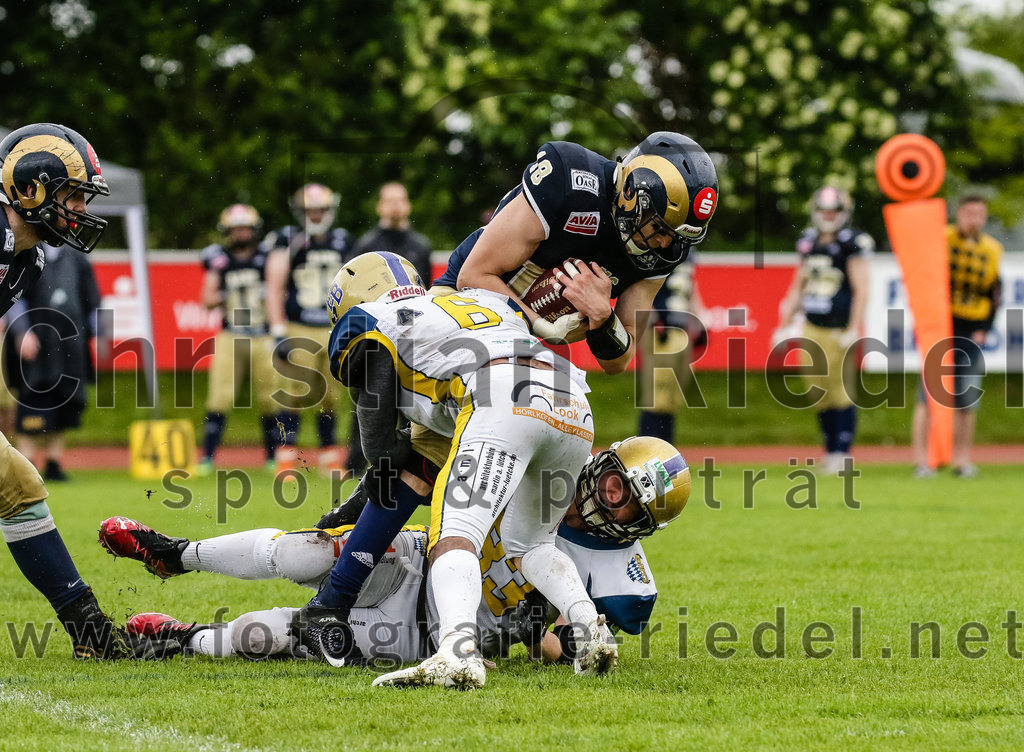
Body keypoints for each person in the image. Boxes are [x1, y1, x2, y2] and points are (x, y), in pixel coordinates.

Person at [98, 436, 690, 666]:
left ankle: (183, 637)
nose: (601, 493)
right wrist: (357, 515)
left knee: (271, 636)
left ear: (638, 522)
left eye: (621, 500)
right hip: (413, 561)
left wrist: (556, 639)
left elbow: (555, 646)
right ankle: (175, 553)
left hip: (431, 636)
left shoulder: (621, 583)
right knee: (307, 554)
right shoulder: (543, 461)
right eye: (611, 478)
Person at [314, 251, 610, 688]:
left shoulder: (376, 319)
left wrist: (379, 457)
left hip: (501, 393)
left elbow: (378, 431)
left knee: (455, 535)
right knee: (532, 545)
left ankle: (456, 652)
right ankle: (590, 632)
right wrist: (359, 498)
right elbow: (420, 448)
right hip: (572, 401)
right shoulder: (476, 303)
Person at [0, 123, 178, 659]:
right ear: (32, 189)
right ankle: (92, 634)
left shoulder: (26, 257)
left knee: (19, 487)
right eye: (72, 195)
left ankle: (90, 633)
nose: (79, 209)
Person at [433, 131, 719, 373]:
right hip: (456, 307)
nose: (664, 245)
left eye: (676, 236)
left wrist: (603, 318)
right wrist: (543, 328)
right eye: (659, 228)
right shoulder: (570, 179)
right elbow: (473, 276)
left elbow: (618, 361)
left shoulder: (664, 252)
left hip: (519, 344)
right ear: (632, 194)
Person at [775, 186, 873, 474]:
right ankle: (830, 449)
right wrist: (783, 326)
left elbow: (861, 288)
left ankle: (842, 452)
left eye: (834, 211)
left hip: (837, 327)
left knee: (839, 389)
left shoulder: (851, 242)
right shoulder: (808, 242)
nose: (829, 216)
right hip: (811, 325)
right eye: (825, 211)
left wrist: (854, 326)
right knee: (817, 390)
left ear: (843, 214)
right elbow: (798, 286)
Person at [344, 181, 433, 475]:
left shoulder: (420, 245)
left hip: (412, 337)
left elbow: (426, 291)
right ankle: (356, 464)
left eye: (400, 200)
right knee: (368, 400)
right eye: (389, 200)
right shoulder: (366, 246)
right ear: (380, 206)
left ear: (407, 205)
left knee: (414, 398)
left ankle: (412, 464)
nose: (395, 205)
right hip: (376, 338)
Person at [911, 195, 1003, 478]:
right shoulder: (941, 239)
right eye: (968, 213)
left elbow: (994, 293)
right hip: (940, 325)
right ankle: (923, 460)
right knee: (929, 395)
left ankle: (961, 460)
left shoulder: (992, 249)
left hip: (971, 327)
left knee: (967, 397)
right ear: (958, 214)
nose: (973, 219)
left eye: (979, 214)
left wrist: (985, 326)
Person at [264, 183, 351, 478]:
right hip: (298, 325)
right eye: (310, 209)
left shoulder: (342, 240)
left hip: (332, 327)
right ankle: (286, 456)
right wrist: (278, 330)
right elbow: (274, 287)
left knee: (330, 394)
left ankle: (328, 456)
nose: (316, 215)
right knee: (294, 391)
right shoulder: (288, 239)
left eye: (321, 209)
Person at [5, 242, 101, 481]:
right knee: (32, 400)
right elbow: (14, 297)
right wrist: (22, 331)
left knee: (66, 401)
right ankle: (27, 465)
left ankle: (54, 463)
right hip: (36, 343)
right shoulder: (27, 254)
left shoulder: (78, 257)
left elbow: (93, 299)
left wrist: (100, 335)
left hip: (71, 344)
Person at [197, 204, 279, 474]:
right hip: (231, 333)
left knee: (270, 398)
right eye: (236, 229)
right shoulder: (218, 259)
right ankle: (207, 457)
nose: (241, 234)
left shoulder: (268, 257)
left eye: (245, 228)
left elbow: (280, 292)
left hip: (262, 333)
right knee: (220, 396)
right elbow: (207, 299)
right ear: (227, 232)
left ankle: (273, 457)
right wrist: (226, 295)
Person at [636, 255, 705, 443]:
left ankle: (667, 451)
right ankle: (647, 451)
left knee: (674, 398)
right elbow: (642, 282)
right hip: (661, 329)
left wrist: (699, 320)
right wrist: (653, 317)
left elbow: (689, 286)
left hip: (681, 329)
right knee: (657, 395)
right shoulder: (660, 242)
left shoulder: (687, 247)